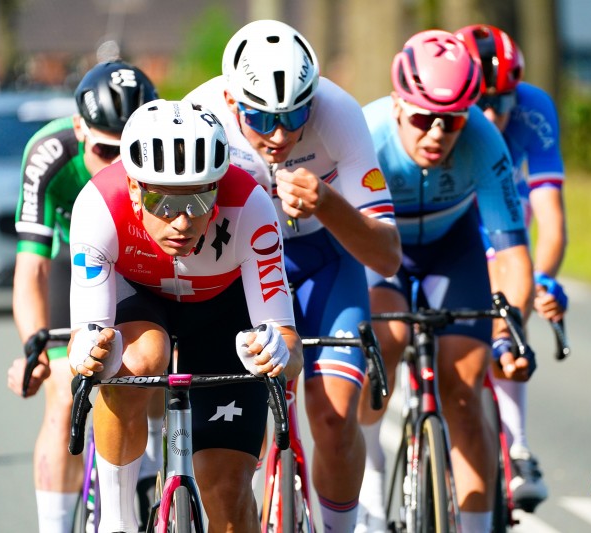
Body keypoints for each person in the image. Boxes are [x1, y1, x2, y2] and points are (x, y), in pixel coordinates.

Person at [185, 19, 402, 532]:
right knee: (237, 440)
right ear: (232, 103)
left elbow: (387, 256)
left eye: (295, 114)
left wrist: (328, 203)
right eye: (260, 118)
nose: (280, 135)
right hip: (240, 270)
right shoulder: (201, 115)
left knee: (331, 417)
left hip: (324, 264)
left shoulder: (340, 113)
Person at [67, 99, 303, 532]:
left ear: (217, 187)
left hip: (223, 313)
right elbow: (85, 337)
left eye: (198, 199)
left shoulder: (250, 206)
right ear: (135, 189)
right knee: (136, 359)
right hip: (142, 300)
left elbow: (289, 344)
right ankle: (117, 519)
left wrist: (276, 351)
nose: (181, 221)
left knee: (229, 497)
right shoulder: (98, 205)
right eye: (163, 203)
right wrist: (88, 350)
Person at [357, 30, 535, 533]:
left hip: (450, 249)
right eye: (422, 118)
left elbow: (512, 251)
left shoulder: (483, 139)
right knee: (385, 343)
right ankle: (370, 466)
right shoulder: (365, 133)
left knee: (464, 386)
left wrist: (508, 331)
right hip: (381, 248)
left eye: (452, 120)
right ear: (397, 105)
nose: (437, 133)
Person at [6, 60, 158, 532]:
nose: (117, 167)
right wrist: (35, 348)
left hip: (138, 264)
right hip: (76, 259)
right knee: (65, 396)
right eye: (104, 150)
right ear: (78, 128)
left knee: (153, 377)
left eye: (128, 153)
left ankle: (149, 470)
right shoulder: (50, 153)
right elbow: (31, 268)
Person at [456, 23, 568, 512]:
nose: (488, 115)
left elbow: (551, 216)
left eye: (500, 103)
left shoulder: (535, 109)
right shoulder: (440, 117)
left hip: (506, 222)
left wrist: (541, 279)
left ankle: (517, 447)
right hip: (452, 219)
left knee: (508, 318)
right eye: (477, 102)